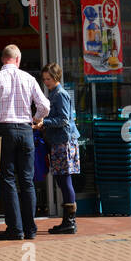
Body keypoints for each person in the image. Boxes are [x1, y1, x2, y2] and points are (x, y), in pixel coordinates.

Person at [0, 44, 50, 240]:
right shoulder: (29, 79)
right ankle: (30, 229)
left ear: (3, 59)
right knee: (27, 181)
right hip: (25, 129)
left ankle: (15, 229)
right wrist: (35, 119)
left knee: (8, 180)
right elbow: (45, 105)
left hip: (5, 130)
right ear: (18, 59)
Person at [39, 63, 81, 234]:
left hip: (64, 142)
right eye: (44, 79)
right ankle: (68, 221)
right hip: (59, 142)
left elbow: (63, 119)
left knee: (64, 180)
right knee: (62, 180)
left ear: (56, 77)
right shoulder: (54, 93)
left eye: (48, 79)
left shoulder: (60, 94)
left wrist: (44, 123)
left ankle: (69, 221)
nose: (46, 82)